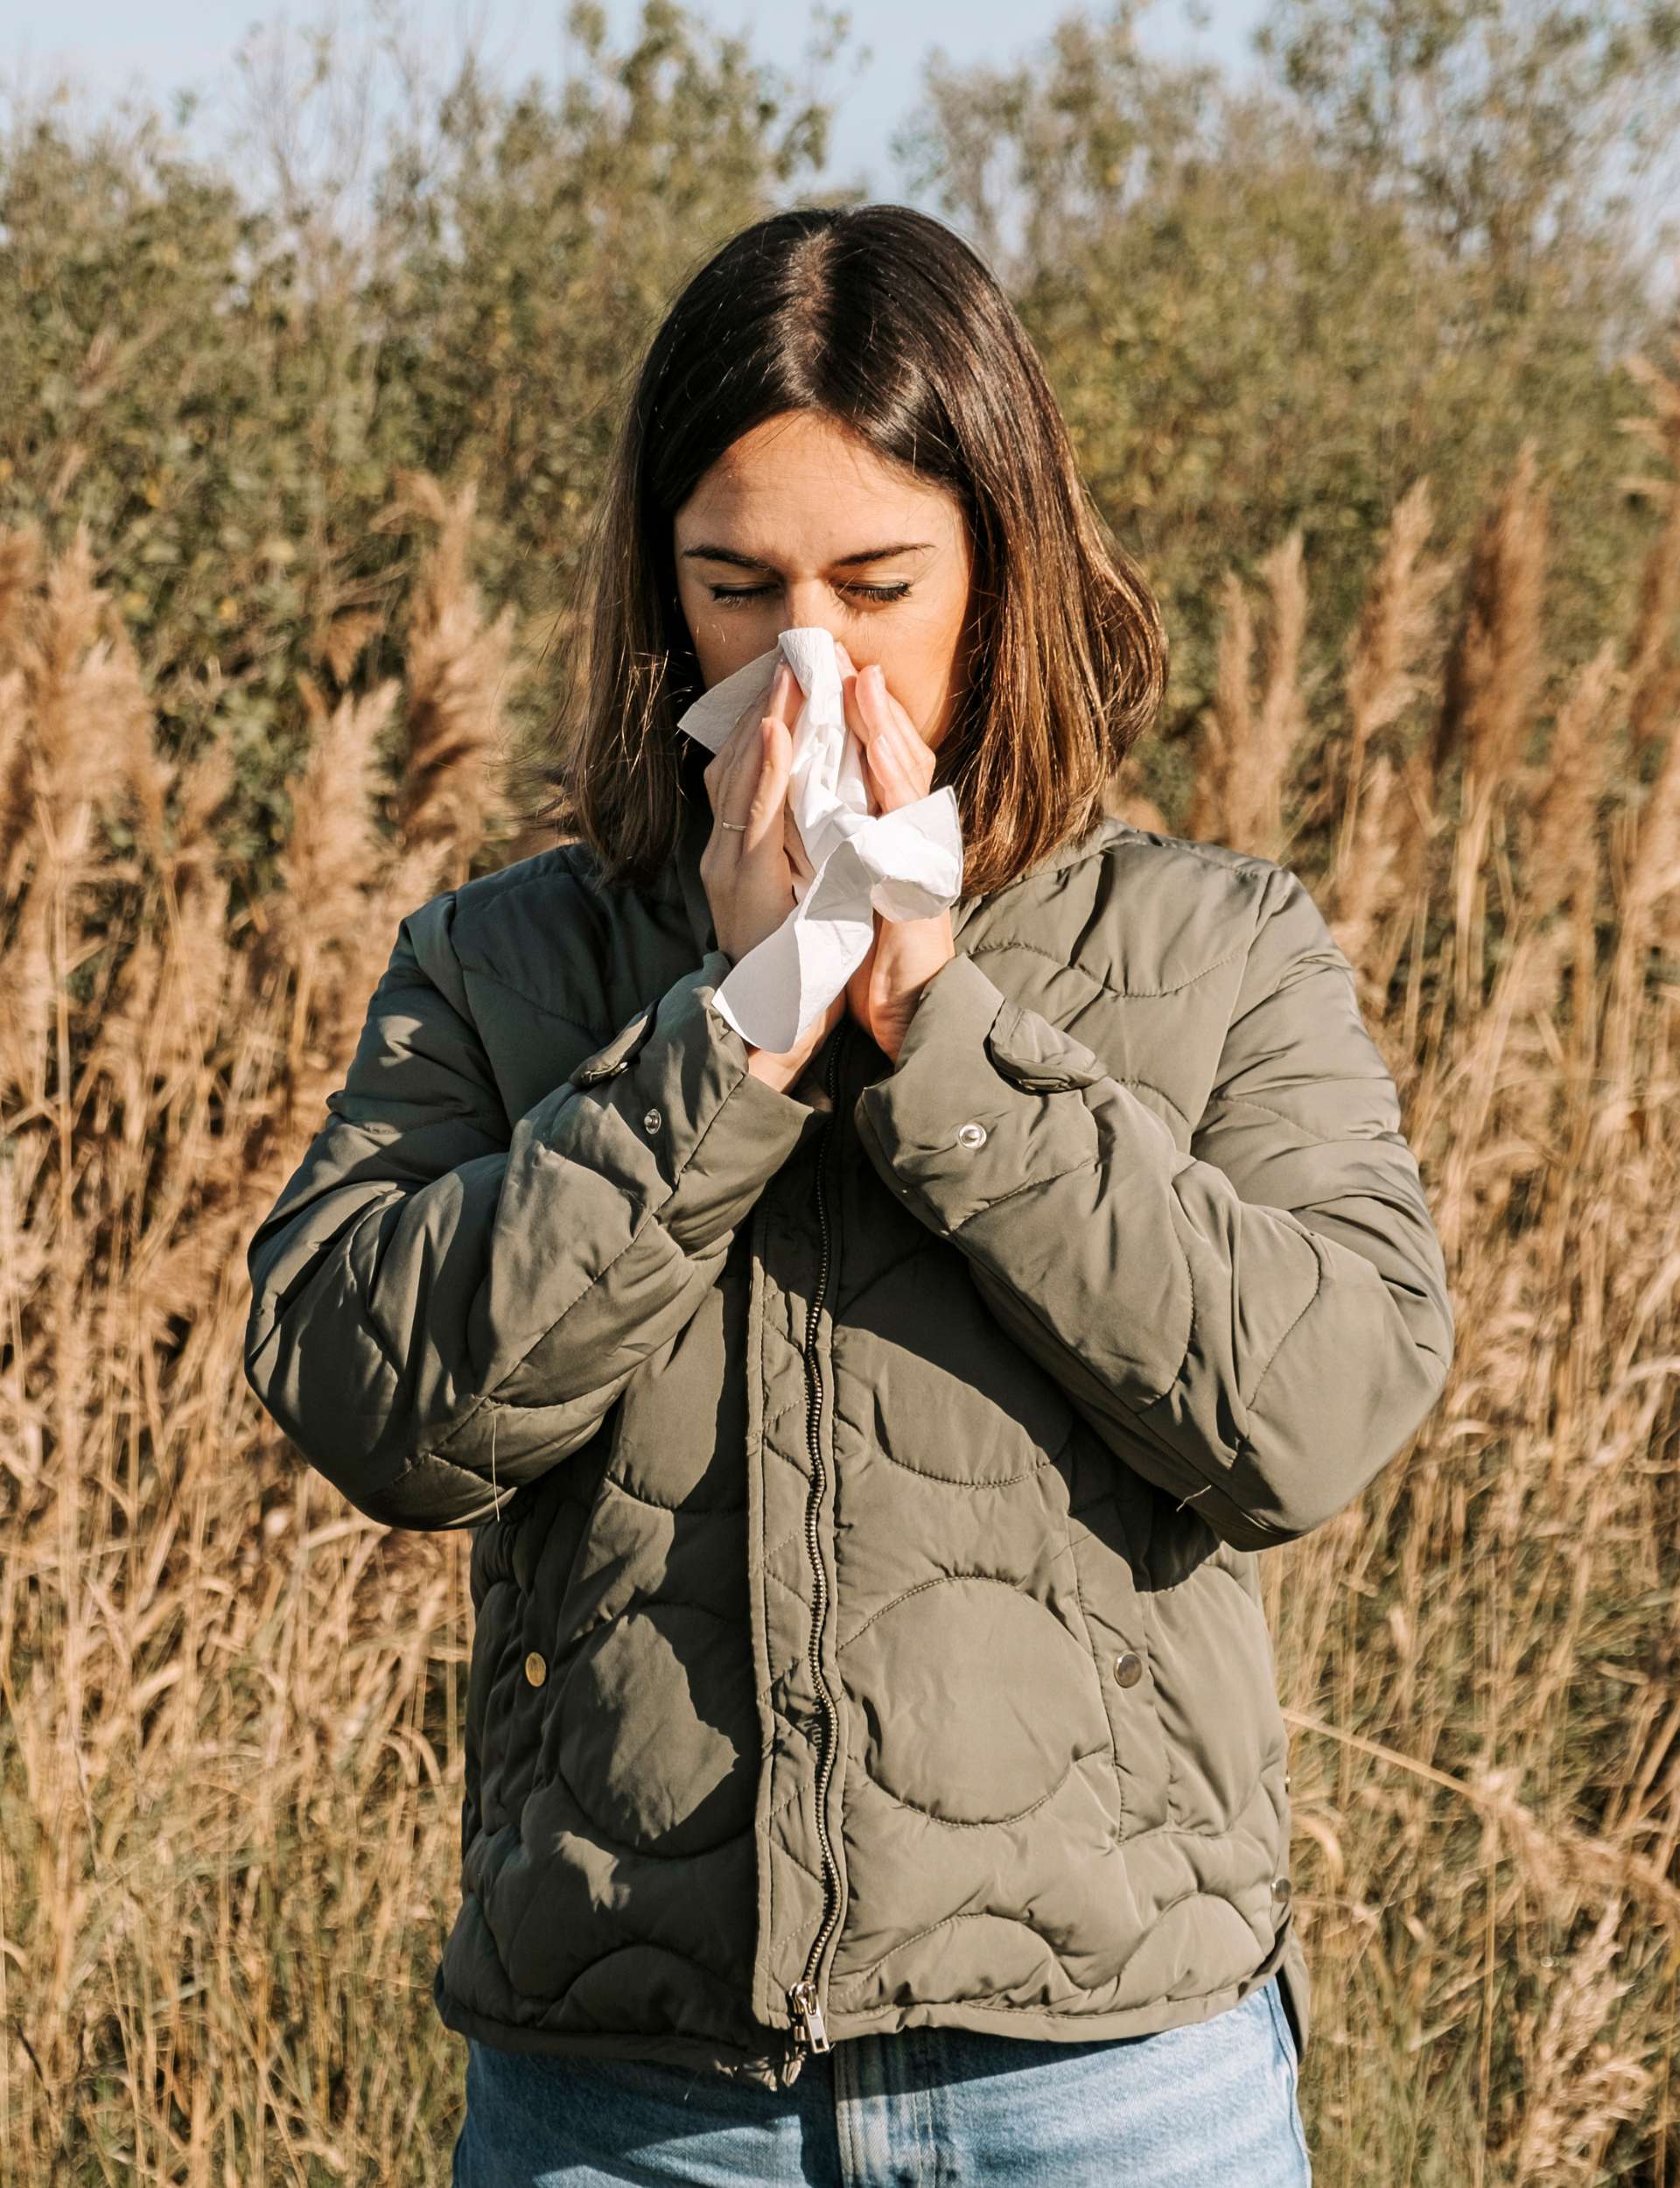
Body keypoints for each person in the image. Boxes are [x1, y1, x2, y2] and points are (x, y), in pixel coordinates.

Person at [242, 201, 1454, 2186]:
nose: (810, 659)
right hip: (633, 2098)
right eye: (738, 589)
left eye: (881, 585)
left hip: (1107, 2081)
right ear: (661, 596)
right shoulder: (505, 960)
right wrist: (732, 1034)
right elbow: (373, 1394)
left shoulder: (1220, 945)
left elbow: (1314, 1411)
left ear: (1006, 575)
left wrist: (938, 1027)